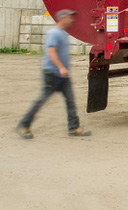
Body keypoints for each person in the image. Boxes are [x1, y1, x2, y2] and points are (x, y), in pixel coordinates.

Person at [16, 9, 91, 139]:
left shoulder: (62, 33)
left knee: (70, 101)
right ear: (62, 18)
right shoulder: (54, 33)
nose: (71, 20)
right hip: (52, 74)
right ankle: (23, 125)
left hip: (62, 76)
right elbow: (51, 51)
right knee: (41, 101)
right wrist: (61, 67)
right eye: (69, 17)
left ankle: (73, 128)